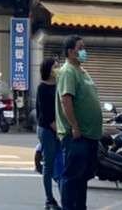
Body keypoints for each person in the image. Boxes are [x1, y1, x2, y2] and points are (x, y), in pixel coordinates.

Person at [54, 36, 102, 210]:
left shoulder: (82, 71)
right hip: (76, 135)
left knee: (82, 177)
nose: (83, 51)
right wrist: (74, 126)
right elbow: (66, 100)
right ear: (70, 52)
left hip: (90, 135)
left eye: (84, 47)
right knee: (72, 176)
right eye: (80, 48)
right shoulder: (68, 72)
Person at [36, 57, 62, 210]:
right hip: (47, 129)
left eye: (58, 66)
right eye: (55, 67)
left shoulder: (59, 85)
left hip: (59, 129)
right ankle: (49, 199)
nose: (57, 69)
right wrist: (57, 130)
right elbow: (44, 114)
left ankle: (64, 196)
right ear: (48, 69)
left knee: (61, 163)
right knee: (49, 165)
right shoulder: (42, 88)